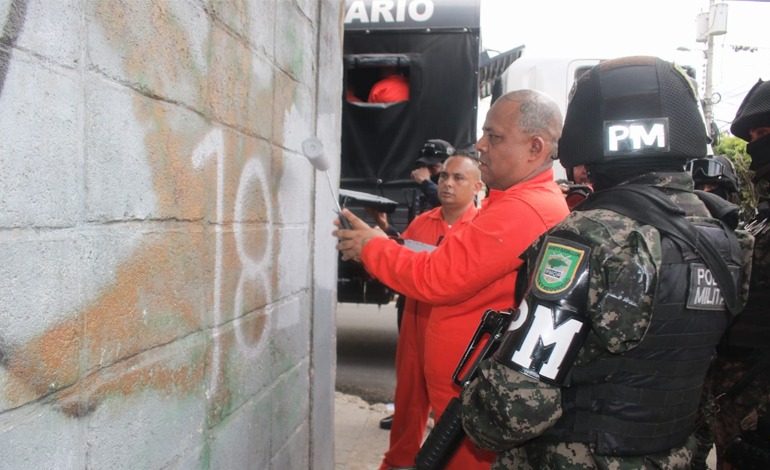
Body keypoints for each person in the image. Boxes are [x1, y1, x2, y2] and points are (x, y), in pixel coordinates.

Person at [460, 56, 753, 469]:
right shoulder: (728, 238)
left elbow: (514, 409)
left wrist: (474, 404)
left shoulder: (585, 237)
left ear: (588, 138)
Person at [334, 88, 570, 469]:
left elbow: (437, 277)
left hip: (477, 412)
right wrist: (376, 243)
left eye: (494, 136)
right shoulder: (510, 203)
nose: (481, 145)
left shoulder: (524, 209)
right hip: (468, 402)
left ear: (535, 147)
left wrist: (371, 249)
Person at [379, 155, 483, 470]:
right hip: (415, 324)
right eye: (444, 177)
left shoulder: (481, 228)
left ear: (478, 186)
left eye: (458, 178)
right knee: (409, 401)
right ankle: (399, 462)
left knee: (451, 409)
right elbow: (400, 269)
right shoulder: (422, 223)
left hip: (457, 335)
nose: (448, 184)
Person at [708, 78, 770, 470]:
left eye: (765, 133)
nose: (755, 144)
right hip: (737, 399)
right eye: (753, 136)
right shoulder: (759, 220)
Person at [411, 139, 456, 216]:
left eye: (433, 165)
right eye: (425, 164)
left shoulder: (460, 180)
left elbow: (451, 204)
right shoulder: (429, 183)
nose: (427, 169)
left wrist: (426, 182)